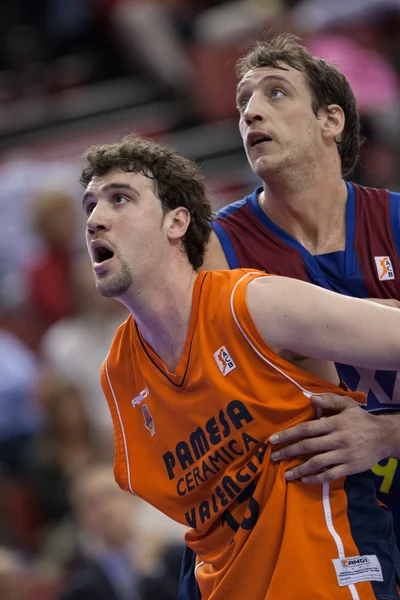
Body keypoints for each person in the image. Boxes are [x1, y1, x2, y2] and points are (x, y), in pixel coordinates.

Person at [81, 134, 400, 599]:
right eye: (89, 205)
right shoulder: (118, 372)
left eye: (119, 199)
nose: (94, 219)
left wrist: (388, 433)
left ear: (176, 222)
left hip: (330, 568)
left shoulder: (251, 302)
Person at [201, 33, 400, 537]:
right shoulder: (218, 248)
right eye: (244, 101)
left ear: (330, 120)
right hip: (315, 517)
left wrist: (385, 433)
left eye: (275, 93)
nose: (250, 113)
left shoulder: (396, 221)